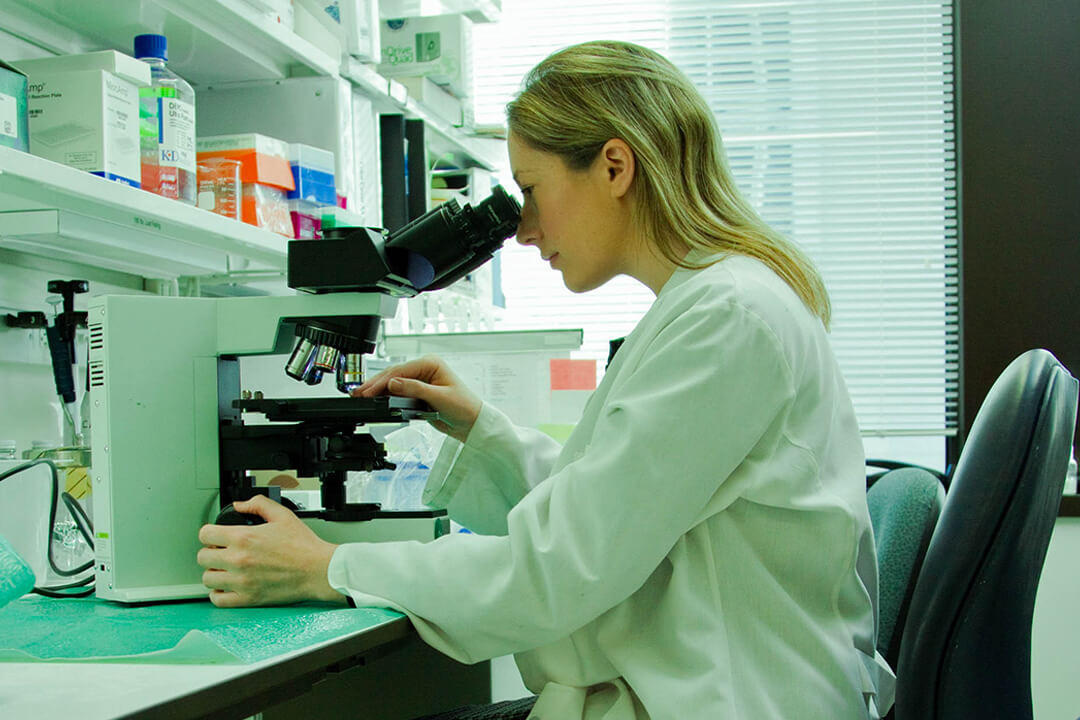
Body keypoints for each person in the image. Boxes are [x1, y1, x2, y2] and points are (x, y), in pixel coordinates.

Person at [197, 40, 895, 720]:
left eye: (530, 190)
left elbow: (558, 570)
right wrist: (484, 432)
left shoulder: (725, 319)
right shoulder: (716, 304)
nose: (524, 230)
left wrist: (328, 569)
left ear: (615, 166)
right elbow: (618, 514)